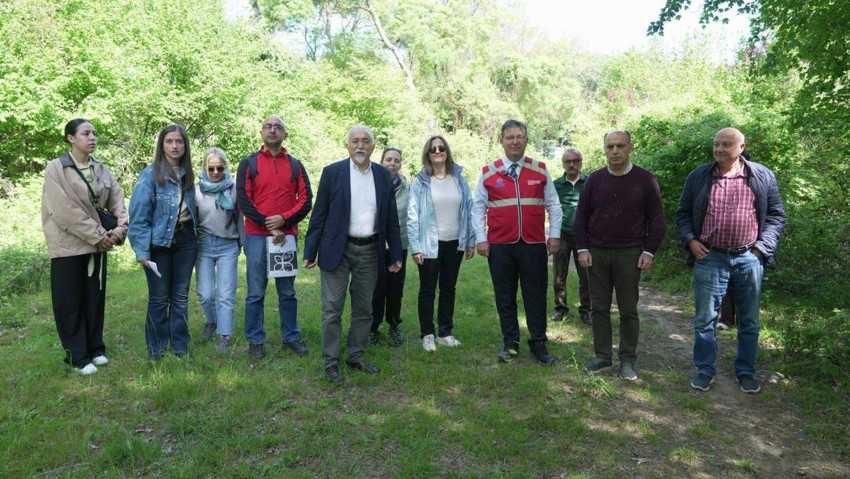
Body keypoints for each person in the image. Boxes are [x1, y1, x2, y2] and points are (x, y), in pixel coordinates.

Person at [677, 127, 785, 394]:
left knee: (749, 320)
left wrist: (761, 249)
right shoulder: (699, 176)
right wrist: (691, 240)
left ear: (742, 147)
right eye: (716, 144)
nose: (719, 149)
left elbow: (775, 215)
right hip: (710, 257)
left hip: (749, 258)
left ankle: (746, 372)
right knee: (705, 319)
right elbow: (683, 214)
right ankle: (705, 369)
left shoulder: (761, 175)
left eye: (726, 144)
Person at [303, 125, 403, 382]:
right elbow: (319, 214)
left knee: (364, 310)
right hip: (337, 249)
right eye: (355, 141)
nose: (360, 145)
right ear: (347, 145)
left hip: (370, 250)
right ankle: (331, 361)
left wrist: (396, 255)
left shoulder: (383, 176)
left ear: (372, 146)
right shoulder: (332, 172)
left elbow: (391, 218)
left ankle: (356, 356)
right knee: (332, 309)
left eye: (365, 141)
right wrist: (310, 250)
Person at [574, 130, 666, 381]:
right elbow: (580, 217)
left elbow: (657, 220)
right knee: (600, 308)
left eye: (620, 146)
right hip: (597, 255)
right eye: (610, 146)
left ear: (630, 148)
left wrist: (648, 251)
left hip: (630, 254)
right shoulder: (594, 180)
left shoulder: (645, 180)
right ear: (604, 149)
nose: (615, 151)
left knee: (628, 310)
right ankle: (603, 357)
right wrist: (582, 249)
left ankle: (627, 360)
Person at [471, 119, 562, 365]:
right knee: (505, 296)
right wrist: (481, 238)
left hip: (533, 244)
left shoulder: (540, 169)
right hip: (500, 245)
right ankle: (510, 343)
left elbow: (553, 204)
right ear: (501, 141)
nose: (514, 141)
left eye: (519, 136)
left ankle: (538, 343)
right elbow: (478, 207)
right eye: (509, 137)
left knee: (536, 295)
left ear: (526, 140)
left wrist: (554, 234)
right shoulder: (489, 172)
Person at [41, 119, 129, 374]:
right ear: (70, 138)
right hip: (68, 245)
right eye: (86, 133)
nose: (92, 137)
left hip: (98, 244)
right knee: (70, 301)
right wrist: (98, 235)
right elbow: (63, 210)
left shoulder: (101, 168)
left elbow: (118, 200)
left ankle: (95, 348)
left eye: (94, 133)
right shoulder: (55, 169)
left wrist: (119, 230)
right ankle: (77, 355)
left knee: (94, 298)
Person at [236, 115, 312, 360]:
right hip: (257, 237)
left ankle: (291, 337)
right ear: (261, 133)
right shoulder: (249, 164)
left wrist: (284, 220)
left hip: (286, 237)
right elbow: (244, 201)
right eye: (268, 126)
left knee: (287, 292)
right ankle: (255, 340)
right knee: (256, 292)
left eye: (278, 127)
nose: (272, 130)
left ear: (285, 135)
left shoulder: (296, 165)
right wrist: (270, 225)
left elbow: (306, 200)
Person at [129, 125, 198, 360]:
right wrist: (141, 250)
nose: (175, 146)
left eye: (179, 141)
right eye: (169, 141)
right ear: (162, 145)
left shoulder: (189, 174)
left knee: (180, 297)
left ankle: (180, 348)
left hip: (187, 239)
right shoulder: (150, 175)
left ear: (185, 146)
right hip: (159, 244)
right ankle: (156, 351)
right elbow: (138, 215)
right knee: (159, 298)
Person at [407, 136, 475, 352]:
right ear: (427, 153)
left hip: (455, 243)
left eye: (441, 148)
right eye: (433, 149)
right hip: (429, 245)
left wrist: (470, 241)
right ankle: (427, 334)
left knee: (448, 289)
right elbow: (412, 216)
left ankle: (445, 332)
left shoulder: (459, 179)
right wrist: (416, 247)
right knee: (427, 290)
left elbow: (469, 210)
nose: (438, 151)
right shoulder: (420, 182)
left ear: (447, 152)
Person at [195, 148, 243, 354]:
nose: (215, 172)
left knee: (226, 293)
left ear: (225, 167)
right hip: (203, 244)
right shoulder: (196, 189)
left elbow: (240, 218)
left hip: (228, 245)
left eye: (219, 168)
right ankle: (211, 321)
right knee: (205, 293)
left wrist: (243, 243)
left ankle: (225, 334)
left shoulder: (233, 188)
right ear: (205, 167)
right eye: (211, 167)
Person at [369, 147, 409, 347]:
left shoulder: (407, 187)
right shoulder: (371, 182)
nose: (392, 163)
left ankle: (394, 324)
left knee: (395, 289)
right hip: (374, 246)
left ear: (401, 164)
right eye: (389, 159)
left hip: (398, 246)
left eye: (397, 160)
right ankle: (373, 328)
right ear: (381, 161)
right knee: (376, 289)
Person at [551, 148, 592, 325]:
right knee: (559, 274)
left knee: (587, 275)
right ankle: (560, 309)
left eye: (576, 161)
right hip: (562, 234)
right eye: (568, 161)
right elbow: (550, 208)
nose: (572, 164)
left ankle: (586, 310)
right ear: (563, 164)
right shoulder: (556, 184)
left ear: (581, 162)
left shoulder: (590, 182)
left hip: (585, 236)